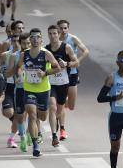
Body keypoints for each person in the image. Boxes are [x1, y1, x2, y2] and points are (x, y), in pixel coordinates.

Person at [16, 28, 60, 157]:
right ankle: (36, 145)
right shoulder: (24, 54)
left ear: (41, 39)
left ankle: (37, 132)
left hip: (44, 90)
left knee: (42, 117)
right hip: (29, 89)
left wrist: (45, 73)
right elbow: (19, 67)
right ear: (30, 39)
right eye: (32, 37)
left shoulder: (46, 54)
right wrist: (19, 74)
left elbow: (57, 68)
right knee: (32, 114)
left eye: (37, 37)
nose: (35, 39)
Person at [45, 25, 78, 148]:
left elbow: (76, 62)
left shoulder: (66, 47)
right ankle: (54, 135)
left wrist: (67, 63)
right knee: (52, 107)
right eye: (50, 34)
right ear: (48, 35)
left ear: (59, 34)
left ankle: (58, 122)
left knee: (59, 110)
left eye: (55, 33)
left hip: (63, 83)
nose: (53, 36)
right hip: (50, 84)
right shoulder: (46, 50)